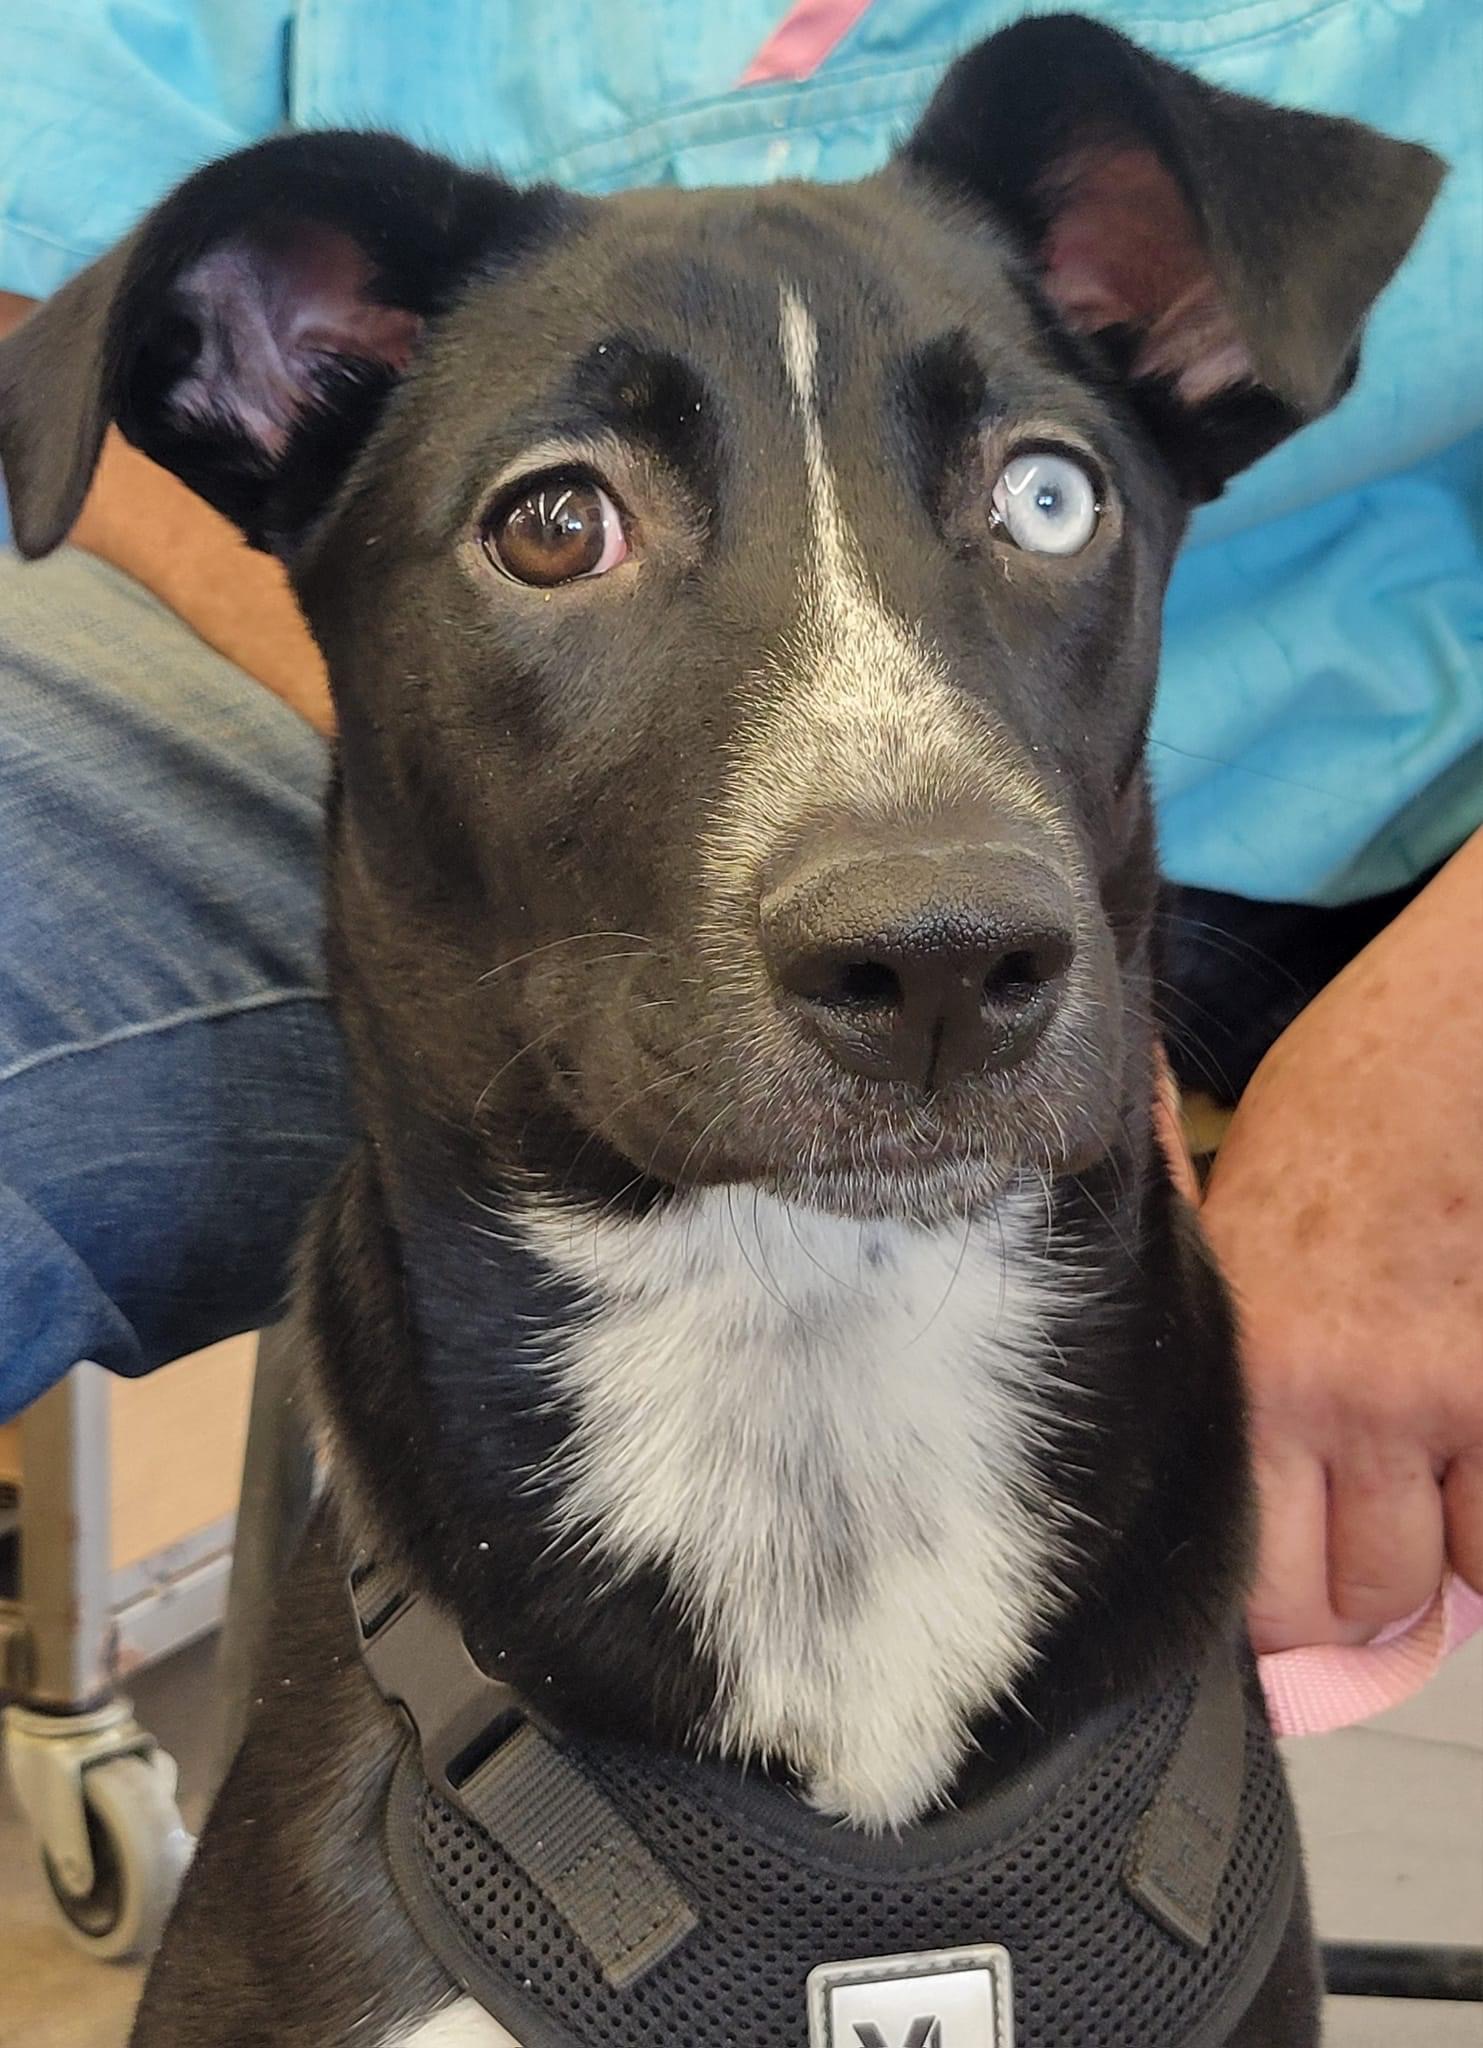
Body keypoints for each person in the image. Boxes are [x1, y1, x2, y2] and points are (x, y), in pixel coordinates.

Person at [1, 2, 1479, 1662]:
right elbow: (26, 254)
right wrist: (462, 738)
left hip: (1338, 847)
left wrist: (1445, 1091)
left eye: (1039, 493)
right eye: (564, 524)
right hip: (431, 758)